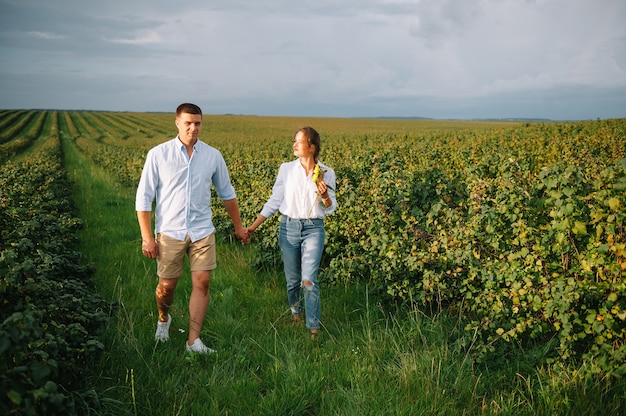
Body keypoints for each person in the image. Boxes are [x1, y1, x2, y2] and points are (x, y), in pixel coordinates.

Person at [136, 102, 248, 354]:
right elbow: (144, 198)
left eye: (197, 123)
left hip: (202, 231)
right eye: (187, 123)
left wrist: (239, 227)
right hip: (170, 231)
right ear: (177, 123)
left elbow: (227, 194)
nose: (193, 128)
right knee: (167, 287)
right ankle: (164, 318)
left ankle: (193, 341)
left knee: (203, 282)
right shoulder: (158, 154)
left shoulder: (212, 156)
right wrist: (147, 238)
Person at [246, 126, 337, 339]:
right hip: (288, 227)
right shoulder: (286, 169)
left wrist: (325, 196)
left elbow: (331, 208)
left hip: (314, 228)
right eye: (294, 140)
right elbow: (275, 201)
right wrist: (253, 226)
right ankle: (296, 313)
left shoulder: (326, 173)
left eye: (299, 141)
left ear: (312, 147)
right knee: (292, 280)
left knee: (309, 279)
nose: (294, 145)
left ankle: (313, 328)